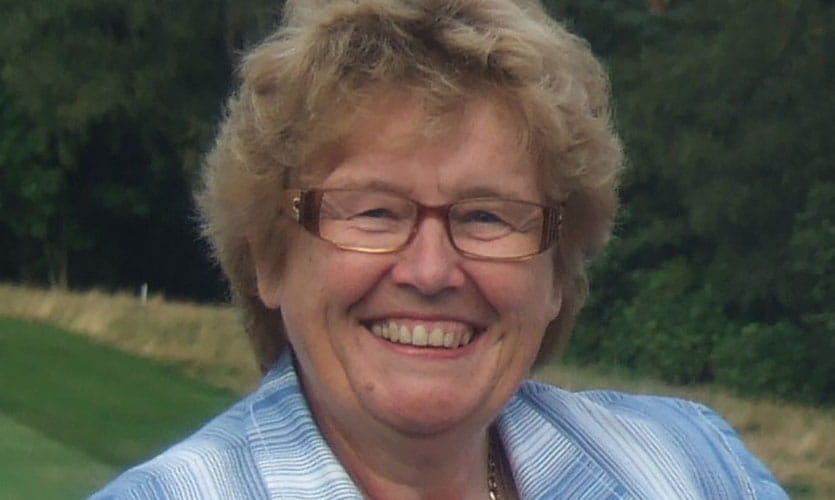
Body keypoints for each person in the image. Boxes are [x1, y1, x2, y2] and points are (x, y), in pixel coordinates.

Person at [91, 1, 788, 498]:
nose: (430, 271)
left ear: (557, 273)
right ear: (270, 259)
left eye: (487, 216)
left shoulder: (684, 463)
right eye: (372, 211)